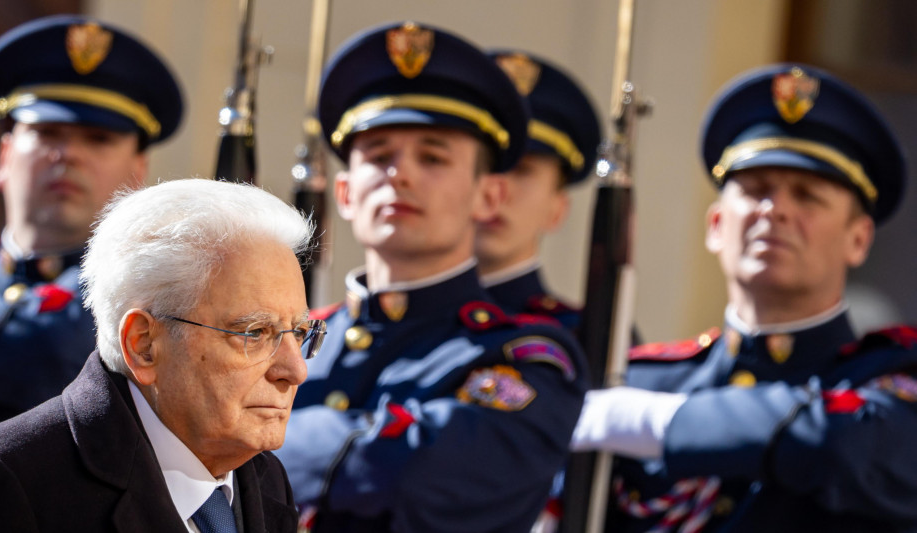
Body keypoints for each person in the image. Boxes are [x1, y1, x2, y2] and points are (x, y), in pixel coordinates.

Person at [570, 63, 917, 532]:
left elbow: (850, 447)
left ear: (859, 239)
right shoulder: (643, 380)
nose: (774, 210)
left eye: (807, 196)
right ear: (716, 226)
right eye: (756, 190)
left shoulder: (889, 381)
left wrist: (666, 423)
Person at [273, 21, 588, 532]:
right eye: (380, 156)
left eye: (433, 157)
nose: (400, 173)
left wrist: (262, 443)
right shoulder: (291, 338)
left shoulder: (527, 355)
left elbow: (426, 470)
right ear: (346, 194)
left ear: (489, 197)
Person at [0, 178, 324, 532]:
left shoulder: (265, 478)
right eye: (255, 333)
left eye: (298, 332)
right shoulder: (3, 486)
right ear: (144, 345)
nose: (295, 370)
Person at [0, 15, 183, 437]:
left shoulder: (156, 304)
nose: (68, 154)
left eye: (98, 138)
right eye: (47, 132)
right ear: (5, 156)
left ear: (139, 171)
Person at [476, 49, 602, 330]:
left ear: (558, 209)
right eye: (487, 164)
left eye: (522, 170)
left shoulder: (583, 337)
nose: (498, 190)